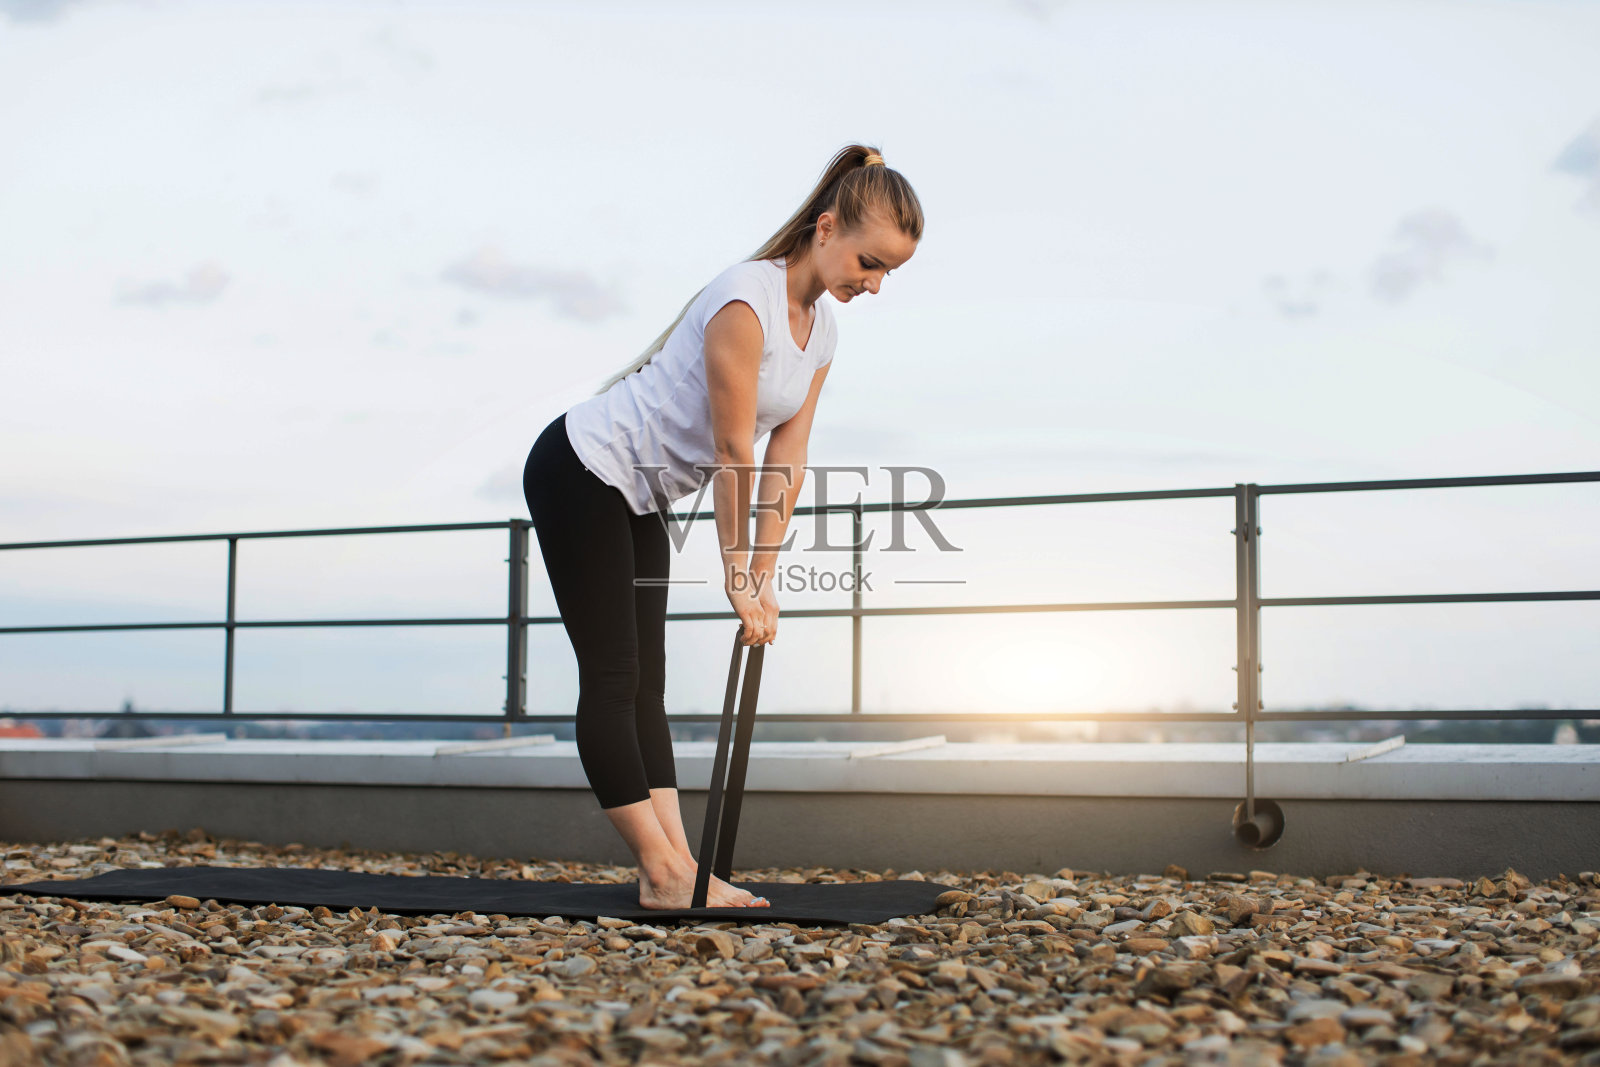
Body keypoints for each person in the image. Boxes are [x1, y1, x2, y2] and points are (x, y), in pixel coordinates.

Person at [521, 143, 922, 909]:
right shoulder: (746, 301)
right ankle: (667, 870)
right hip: (581, 469)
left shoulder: (822, 334)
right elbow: (735, 450)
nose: (872, 284)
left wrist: (762, 574)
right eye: (868, 262)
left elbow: (787, 460)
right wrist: (736, 574)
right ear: (827, 227)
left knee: (648, 684)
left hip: (640, 493)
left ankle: (670, 868)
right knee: (613, 675)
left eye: (886, 274)